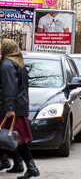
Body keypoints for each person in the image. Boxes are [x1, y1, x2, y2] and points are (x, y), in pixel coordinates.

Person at [0, 39, 40, 179]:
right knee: (10, 137)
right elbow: (23, 88)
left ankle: (31, 168)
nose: (0, 49)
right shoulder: (19, 63)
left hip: (10, 109)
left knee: (17, 139)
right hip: (17, 107)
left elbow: (10, 88)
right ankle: (16, 163)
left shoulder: (6, 65)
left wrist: (9, 108)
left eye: (1, 47)